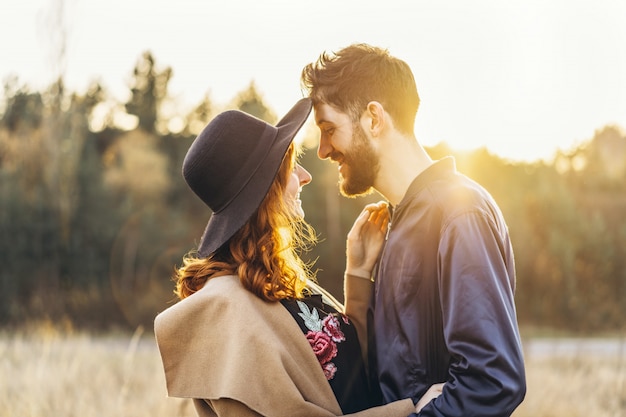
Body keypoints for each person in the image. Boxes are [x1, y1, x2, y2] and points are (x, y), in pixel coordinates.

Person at [154, 98, 442, 417]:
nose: (306, 176)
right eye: (292, 167)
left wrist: (358, 271)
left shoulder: (277, 281)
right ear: (266, 189)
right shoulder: (225, 310)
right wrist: (412, 411)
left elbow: (351, 373)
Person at [301, 43, 527, 416]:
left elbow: (491, 382)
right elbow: (386, 381)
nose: (323, 150)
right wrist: (358, 275)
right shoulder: (394, 225)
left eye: (329, 129)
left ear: (374, 118)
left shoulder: (459, 213)